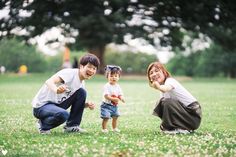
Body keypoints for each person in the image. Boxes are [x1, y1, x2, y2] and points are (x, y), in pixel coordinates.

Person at [32, 53, 100, 134]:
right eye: (89, 67)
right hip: (42, 106)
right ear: (81, 66)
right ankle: (43, 125)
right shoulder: (70, 73)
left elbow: (77, 104)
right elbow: (49, 81)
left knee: (82, 92)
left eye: (94, 68)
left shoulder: (81, 83)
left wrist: (87, 105)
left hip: (56, 105)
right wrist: (56, 89)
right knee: (63, 114)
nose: (91, 70)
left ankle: (72, 126)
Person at [147, 62, 202, 134]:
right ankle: (178, 128)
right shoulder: (162, 89)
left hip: (193, 115)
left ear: (164, 72)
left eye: (157, 71)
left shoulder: (170, 81)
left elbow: (166, 88)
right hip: (187, 116)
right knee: (161, 103)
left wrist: (158, 87)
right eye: (151, 73)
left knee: (166, 102)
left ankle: (182, 128)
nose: (154, 74)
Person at [100, 65, 125, 133]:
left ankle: (114, 128)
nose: (113, 78)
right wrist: (113, 99)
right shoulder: (107, 86)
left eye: (116, 76)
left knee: (115, 117)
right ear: (107, 77)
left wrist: (122, 98)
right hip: (106, 105)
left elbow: (120, 94)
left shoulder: (118, 86)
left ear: (118, 77)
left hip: (114, 106)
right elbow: (106, 96)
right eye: (111, 76)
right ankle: (104, 129)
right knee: (106, 117)